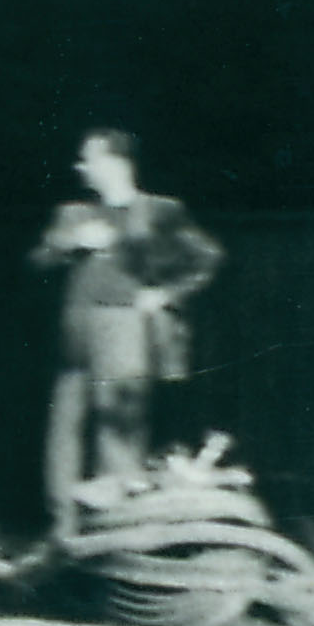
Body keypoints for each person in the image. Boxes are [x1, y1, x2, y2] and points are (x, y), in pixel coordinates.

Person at [33, 127, 219, 523]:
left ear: (117, 163)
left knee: (118, 429)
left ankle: (114, 528)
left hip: (124, 326)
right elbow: (38, 260)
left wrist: (166, 294)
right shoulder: (73, 214)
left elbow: (207, 258)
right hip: (76, 328)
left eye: (89, 158)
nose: (80, 167)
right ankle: (62, 525)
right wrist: (70, 243)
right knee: (64, 429)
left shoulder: (159, 211)